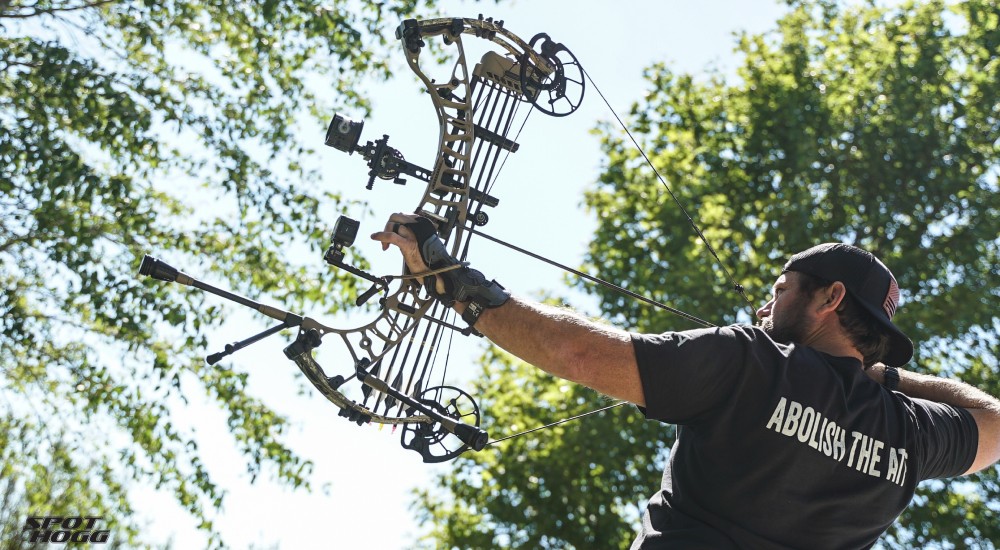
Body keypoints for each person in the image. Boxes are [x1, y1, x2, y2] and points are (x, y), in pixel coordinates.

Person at [372, 212, 1000, 549]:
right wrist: (876, 374)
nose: (764, 307)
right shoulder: (910, 433)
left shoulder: (756, 362)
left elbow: (580, 354)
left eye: (779, 291)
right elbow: (993, 422)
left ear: (829, 298)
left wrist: (451, 279)